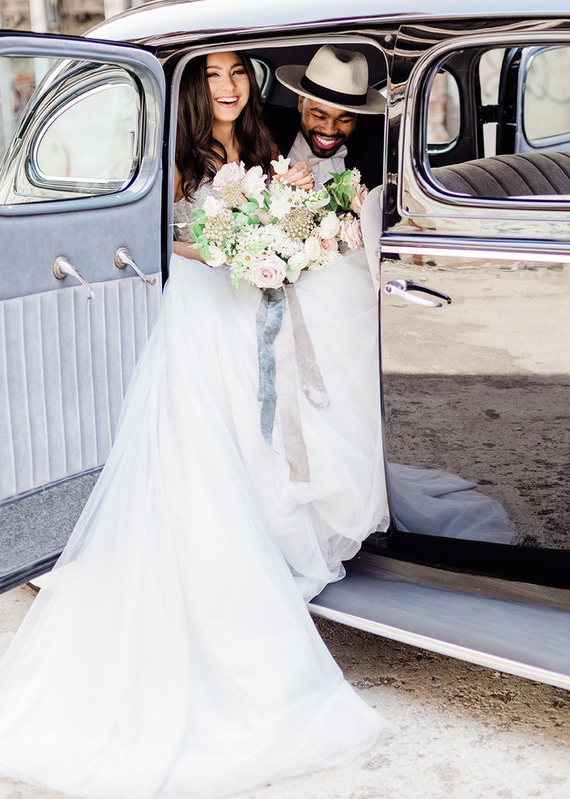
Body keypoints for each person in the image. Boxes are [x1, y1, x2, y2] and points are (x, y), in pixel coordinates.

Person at [0, 50, 392, 799]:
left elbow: (284, 212)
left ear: (252, 83)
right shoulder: (178, 152)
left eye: (236, 74)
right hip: (199, 304)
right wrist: (225, 246)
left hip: (247, 298)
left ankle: (271, 539)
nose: (225, 88)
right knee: (199, 450)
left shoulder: (267, 143)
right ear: (193, 85)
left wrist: (276, 238)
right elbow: (166, 239)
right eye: (211, 76)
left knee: (263, 427)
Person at [263, 44, 386, 190]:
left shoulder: (378, 146)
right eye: (319, 116)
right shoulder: (266, 127)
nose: (329, 130)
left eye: (344, 120)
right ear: (301, 102)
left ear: (357, 116)